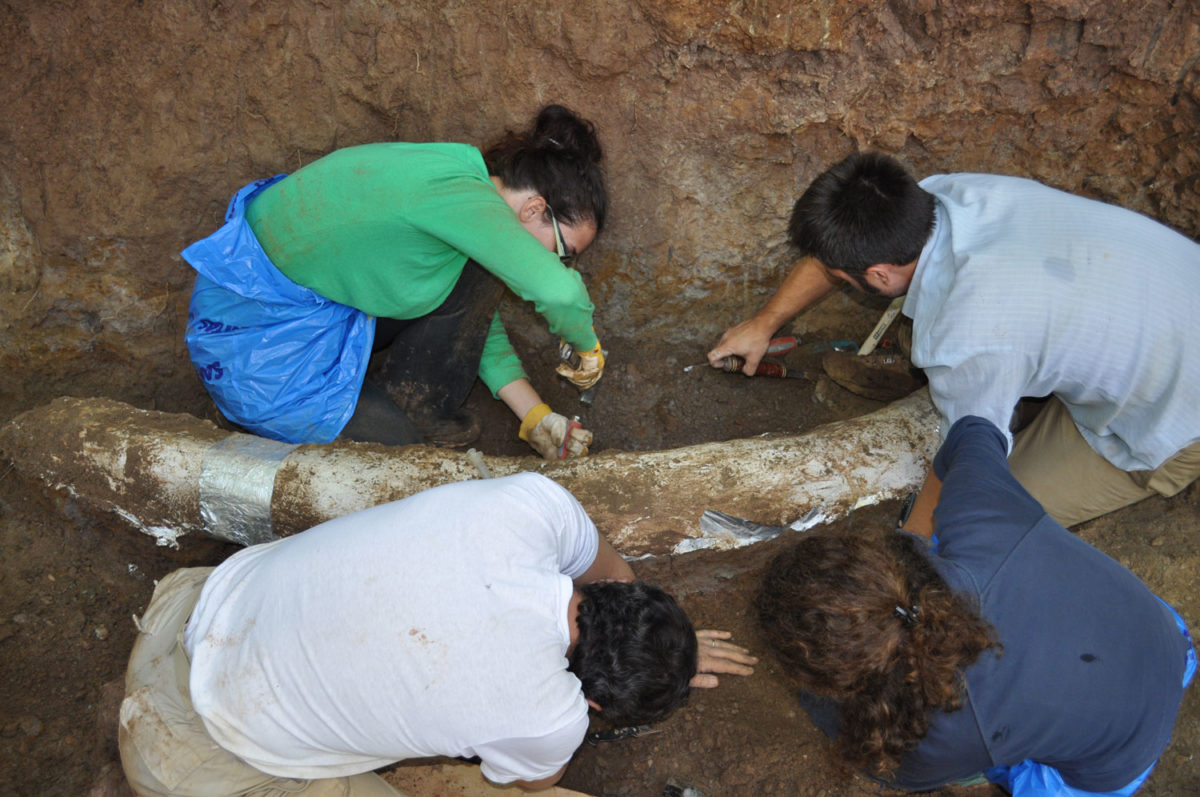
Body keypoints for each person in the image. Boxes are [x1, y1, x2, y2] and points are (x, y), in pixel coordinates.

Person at [118, 472, 756, 796]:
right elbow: (533, 782)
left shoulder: (534, 506)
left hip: (196, 602)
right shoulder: (545, 718)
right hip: (194, 754)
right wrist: (624, 692)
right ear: (590, 701)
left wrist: (660, 646)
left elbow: (610, 567)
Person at [709, 151, 1200, 530]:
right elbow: (837, 252)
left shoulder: (967, 336)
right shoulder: (950, 196)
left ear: (878, 274)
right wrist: (765, 322)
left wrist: (917, 541)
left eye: (842, 275)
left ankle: (1004, 408)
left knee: (966, 519)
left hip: (1167, 419)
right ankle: (1008, 393)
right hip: (1158, 303)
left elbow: (965, 457)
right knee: (938, 345)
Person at [756, 415, 1195, 796]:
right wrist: (913, 534)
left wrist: (816, 701)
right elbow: (973, 431)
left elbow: (891, 766)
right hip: (1164, 638)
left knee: (1000, 768)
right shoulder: (983, 519)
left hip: (1121, 757)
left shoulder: (938, 734)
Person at [184, 104, 608, 459]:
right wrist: (588, 347)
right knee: (402, 459)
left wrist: (535, 416)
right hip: (259, 361)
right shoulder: (465, 202)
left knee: (477, 279)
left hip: (285, 314)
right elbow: (559, 293)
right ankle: (404, 417)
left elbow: (471, 320)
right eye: (562, 253)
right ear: (535, 208)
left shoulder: (458, 175)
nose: (558, 264)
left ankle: (413, 407)